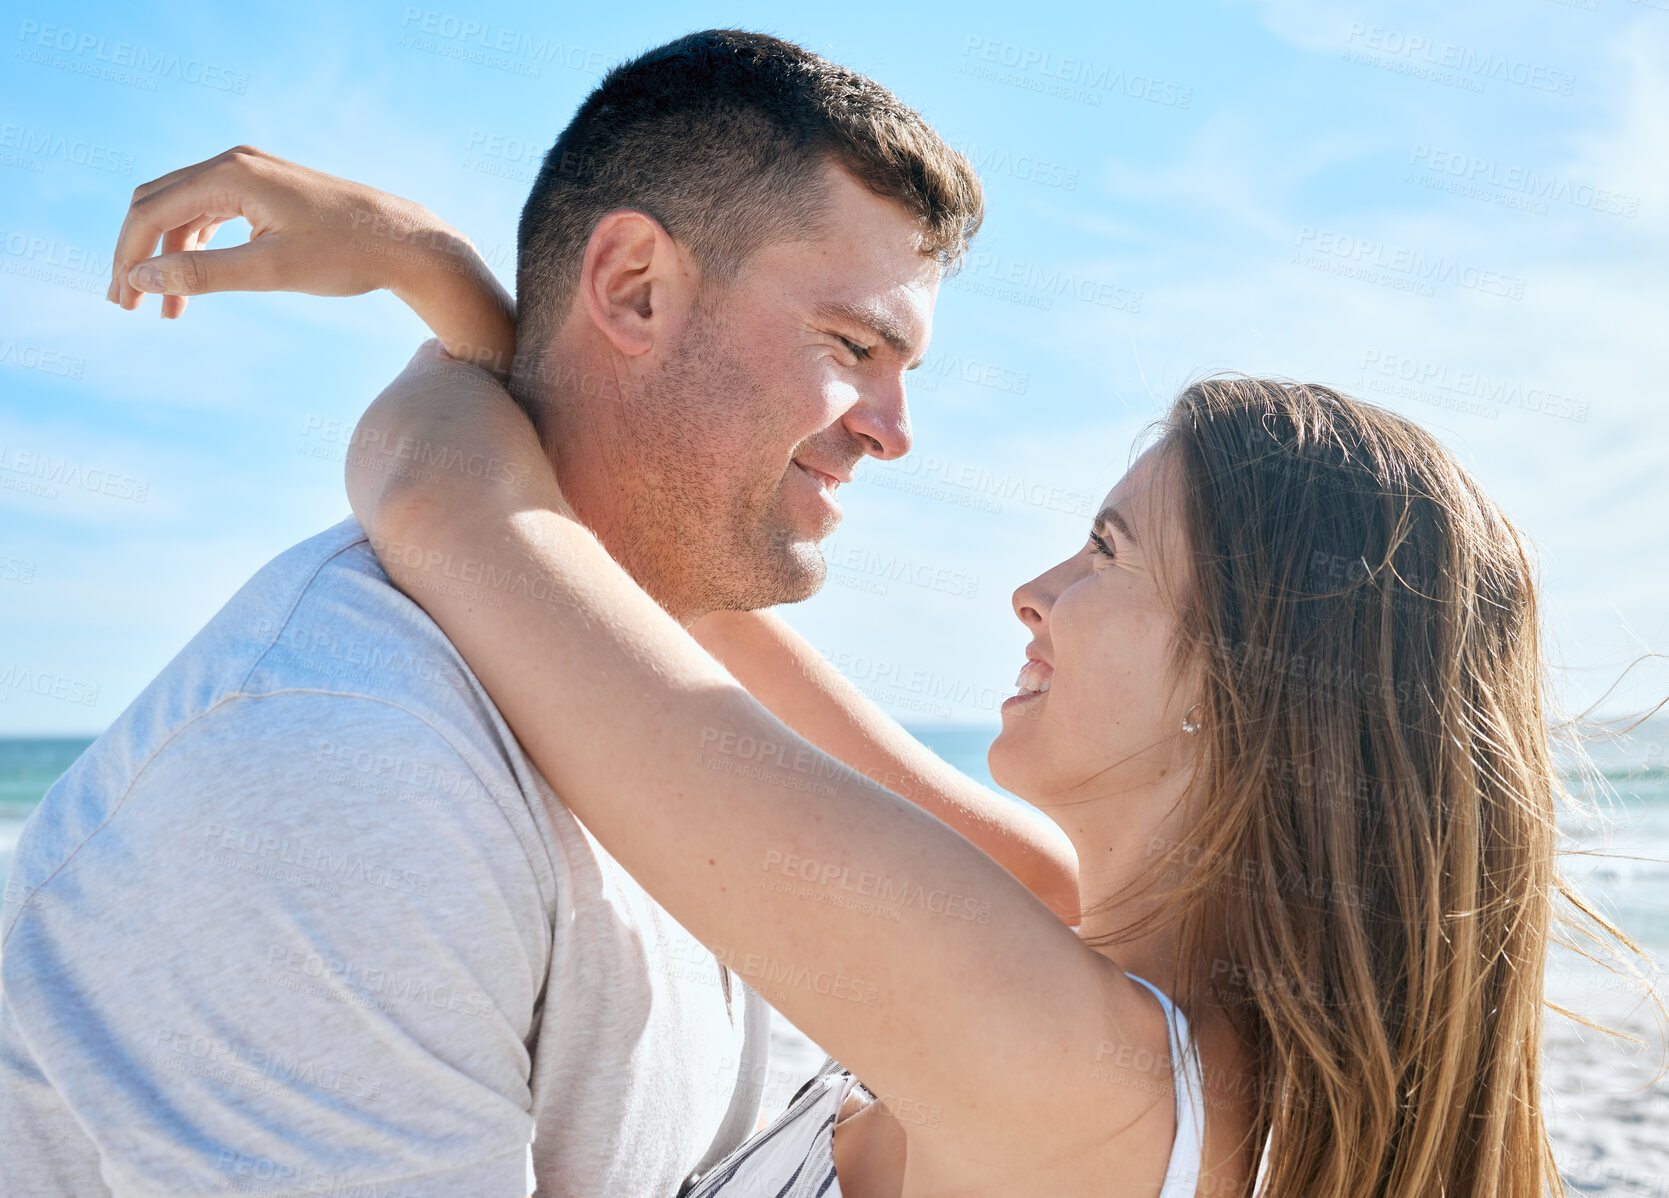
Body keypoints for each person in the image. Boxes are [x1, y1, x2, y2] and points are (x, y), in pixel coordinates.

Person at [1, 31, 1079, 1198]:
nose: (892, 429)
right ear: (632, 288)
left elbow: (1030, 902)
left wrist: (446, 284)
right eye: (853, 345)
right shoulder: (351, 769)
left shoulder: (673, 698)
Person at [331, 333, 1611, 1196]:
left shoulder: (1071, 1061)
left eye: (1106, 554)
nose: (1031, 591)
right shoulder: (1088, 957)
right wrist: (514, 314)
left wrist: (446, 292)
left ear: (1242, 682)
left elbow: (445, 499)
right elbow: (679, 599)